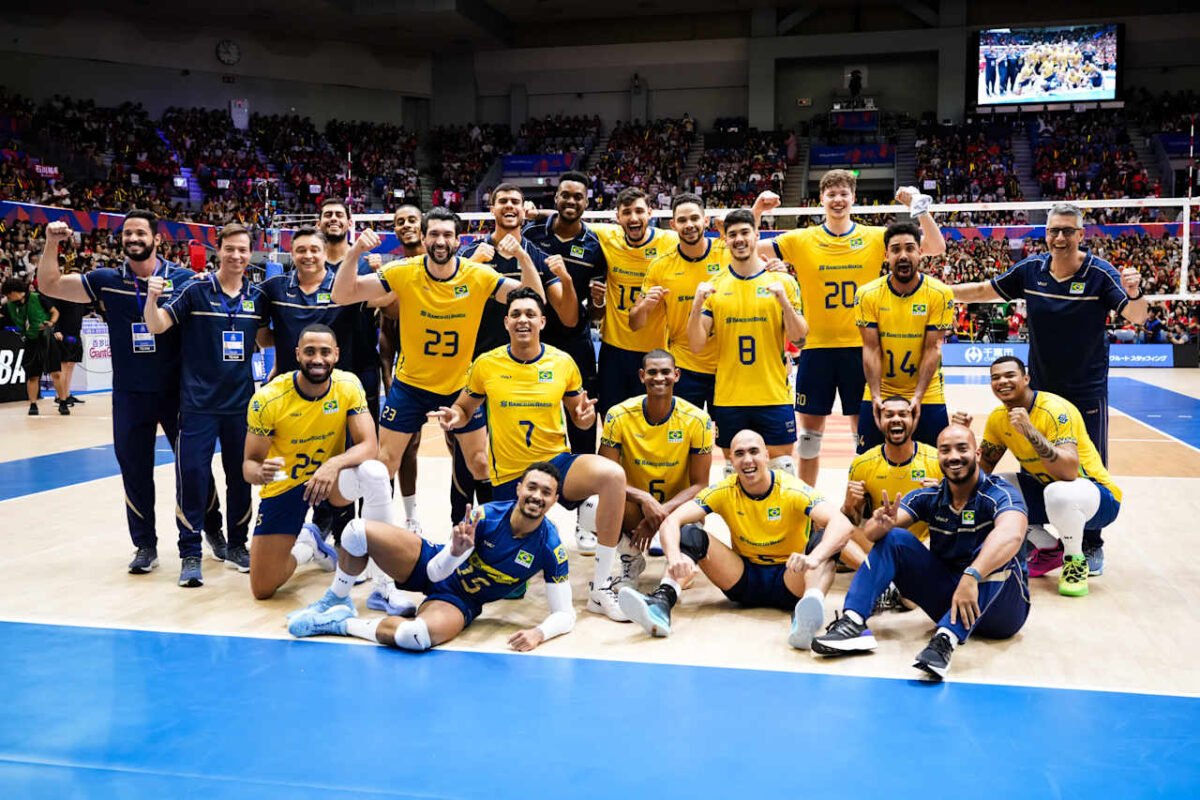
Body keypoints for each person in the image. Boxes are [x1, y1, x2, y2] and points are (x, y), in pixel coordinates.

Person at [949, 202, 1143, 574]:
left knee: (1086, 468)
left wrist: (1134, 293)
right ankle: (1042, 539)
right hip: (1037, 387)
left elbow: (1136, 316)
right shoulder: (1030, 270)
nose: (1059, 237)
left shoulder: (1101, 274)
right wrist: (937, 292)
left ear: (1081, 235)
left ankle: (1090, 543)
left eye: (1068, 231)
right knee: (1034, 462)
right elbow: (981, 290)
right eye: (1054, 230)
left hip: (1085, 390)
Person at [35, 214, 224, 574]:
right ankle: (145, 545)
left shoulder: (182, 280)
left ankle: (213, 531)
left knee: (196, 468)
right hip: (130, 394)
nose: (134, 238)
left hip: (179, 393)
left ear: (157, 239)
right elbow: (50, 284)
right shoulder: (107, 280)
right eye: (128, 233)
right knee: (134, 470)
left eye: (141, 232)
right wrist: (50, 243)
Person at [433, 288, 630, 621]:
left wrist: (582, 418)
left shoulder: (562, 362)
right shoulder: (486, 365)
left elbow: (578, 411)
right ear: (506, 322)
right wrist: (455, 417)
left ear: (542, 320)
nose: (523, 319)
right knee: (511, 587)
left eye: (529, 314)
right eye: (516, 314)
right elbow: (464, 408)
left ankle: (600, 587)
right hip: (510, 476)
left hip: (555, 464)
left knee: (613, 476)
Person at [328, 208, 545, 503]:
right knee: (383, 465)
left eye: (447, 235)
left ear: (458, 241)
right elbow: (342, 295)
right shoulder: (403, 271)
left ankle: (493, 531)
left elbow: (535, 300)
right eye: (433, 234)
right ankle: (377, 536)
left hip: (460, 388)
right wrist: (355, 252)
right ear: (423, 237)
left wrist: (523, 256)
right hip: (410, 386)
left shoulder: (479, 275)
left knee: (480, 462)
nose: (440, 241)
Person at [763, 170, 945, 486]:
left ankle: (867, 500)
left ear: (853, 198)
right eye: (831, 194)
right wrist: (758, 213)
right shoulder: (800, 239)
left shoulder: (875, 237)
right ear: (820, 199)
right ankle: (809, 507)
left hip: (862, 349)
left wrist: (919, 207)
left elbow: (935, 246)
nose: (837, 200)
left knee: (863, 438)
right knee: (809, 440)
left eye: (843, 194)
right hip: (816, 348)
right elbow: (745, 249)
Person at [811, 424, 1030, 681]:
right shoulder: (930, 496)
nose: (954, 456)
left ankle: (945, 639)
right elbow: (870, 535)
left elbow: (1012, 534)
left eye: (962, 448)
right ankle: (853, 621)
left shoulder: (999, 493)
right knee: (894, 538)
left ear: (978, 454)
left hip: (1002, 613)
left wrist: (972, 575)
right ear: (938, 457)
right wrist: (880, 524)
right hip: (951, 600)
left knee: (998, 549)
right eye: (945, 450)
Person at [287, 462, 575, 654]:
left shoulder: (550, 548)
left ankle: (340, 623)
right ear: (519, 489)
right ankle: (337, 598)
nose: (537, 496)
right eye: (532, 487)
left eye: (546, 492)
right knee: (354, 532)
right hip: (430, 561)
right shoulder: (484, 516)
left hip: (460, 600)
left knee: (414, 637)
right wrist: (455, 551)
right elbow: (436, 572)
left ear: (555, 499)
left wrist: (539, 633)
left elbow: (565, 614)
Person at [617, 429, 854, 647]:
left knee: (825, 541)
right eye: (739, 454)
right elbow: (671, 521)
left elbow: (842, 524)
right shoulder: (724, 490)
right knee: (690, 533)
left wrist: (814, 558)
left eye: (753, 452)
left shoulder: (792, 489)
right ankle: (661, 604)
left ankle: (807, 614)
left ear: (767, 456)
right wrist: (675, 557)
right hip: (743, 580)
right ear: (731, 461)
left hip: (791, 579)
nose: (747, 460)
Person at [144, 223, 270, 585]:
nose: (236, 255)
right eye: (229, 248)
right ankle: (190, 553)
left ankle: (237, 546)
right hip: (197, 406)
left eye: (243, 249)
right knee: (193, 477)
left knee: (241, 478)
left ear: (251, 252)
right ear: (219, 250)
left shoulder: (257, 297)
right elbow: (157, 325)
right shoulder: (196, 289)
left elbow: (267, 336)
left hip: (241, 407)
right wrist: (152, 299)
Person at [243, 324, 392, 600]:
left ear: (336, 355)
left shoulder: (348, 385)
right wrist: (259, 472)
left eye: (325, 352)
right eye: (310, 352)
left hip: (330, 482)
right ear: (298, 354)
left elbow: (370, 445)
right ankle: (308, 546)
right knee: (262, 588)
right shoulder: (267, 398)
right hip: (285, 482)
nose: (318, 359)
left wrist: (332, 465)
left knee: (374, 472)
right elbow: (249, 466)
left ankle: (384, 584)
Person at [457, 184, 577, 524]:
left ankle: (509, 525)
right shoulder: (471, 252)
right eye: (502, 201)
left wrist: (523, 258)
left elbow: (543, 307)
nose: (509, 206)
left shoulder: (535, 254)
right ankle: (466, 525)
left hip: (519, 370)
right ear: (491, 208)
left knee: (505, 457)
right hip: (478, 365)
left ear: (525, 210)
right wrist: (472, 264)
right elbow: (452, 299)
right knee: (471, 459)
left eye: (515, 202)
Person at [978, 355, 1121, 598]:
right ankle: (1048, 548)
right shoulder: (998, 418)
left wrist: (1030, 431)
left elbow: (1068, 472)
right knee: (990, 488)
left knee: (1059, 492)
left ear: (1026, 378)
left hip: (1098, 498)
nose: (1002, 381)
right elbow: (985, 466)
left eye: (1009, 375)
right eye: (995, 377)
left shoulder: (1055, 410)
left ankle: (1074, 559)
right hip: (1050, 494)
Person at [688, 209, 806, 471]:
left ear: (756, 235)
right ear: (725, 240)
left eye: (744, 233)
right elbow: (696, 346)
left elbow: (800, 340)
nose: (739, 239)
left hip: (773, 395)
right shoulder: (716, 286)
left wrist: (784, 303)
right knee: (736, 472)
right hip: (730, 398)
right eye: (732, 235)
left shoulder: (782, 282)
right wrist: (696, 305)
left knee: (783, 468)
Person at [597, 349, 713, 583]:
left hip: (676, 508)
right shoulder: (618, 415)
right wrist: (645, 500)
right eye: (652, 372)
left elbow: (701, 484)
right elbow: (605, 477)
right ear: (641, 376)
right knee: (591, 505)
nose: (659, 378)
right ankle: (631, 557)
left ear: (677, 375)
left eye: (665, 372)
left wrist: (661, 512)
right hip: (634, 507)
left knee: (695, 524)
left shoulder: (698, 419)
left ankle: (678, 565)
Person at [522, 171, 607, 456]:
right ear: (556, 198)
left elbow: (596, 316)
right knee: (531, 410)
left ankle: (583, 488)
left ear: (587, 202)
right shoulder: (530, 234)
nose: (571, 201)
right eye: (566, 195)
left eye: (578, 197)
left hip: (575, 339)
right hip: (533, 338)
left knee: (582, 413)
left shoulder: (595, 247)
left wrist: (598, 303)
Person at [855, 221, 955, 451]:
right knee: (867, 462)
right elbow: (871, 349)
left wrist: (917, 398)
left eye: (910, 248)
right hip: (881, 391)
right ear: (885, 255)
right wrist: (877, 397)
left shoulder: (940, 293)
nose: (903, 255)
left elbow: (933, 349)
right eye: (896, 249)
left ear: (920, 252)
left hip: (928, 393)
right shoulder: (867, 294)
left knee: (936, 466)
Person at [630, 193, 727, 411]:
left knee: (729, 441)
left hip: (726, 366)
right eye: (682, 220)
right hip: (684, 367)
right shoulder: (661, 266)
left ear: (706, 220)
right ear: (673, 224)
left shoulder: (727, 253)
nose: (689, 225)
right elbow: (635, 323)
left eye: (694, 218)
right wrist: (645, 305)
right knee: (682, 440)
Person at [590, 187, 679, 417]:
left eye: (639, 211)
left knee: (653, 420)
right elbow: (569, 220)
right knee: (611, 418)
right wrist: (534, 212)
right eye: (627, 212)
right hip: (614, 348)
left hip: (655, 350)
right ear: (617, 217)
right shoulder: (607, 236)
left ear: (650, 213)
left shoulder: (669, 241)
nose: (633, 217)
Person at [843, 395, 943, 568]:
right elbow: (853, 520)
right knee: (832, 529)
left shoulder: (937, 460)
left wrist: (942, 498)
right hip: (881, 544)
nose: (896, 419)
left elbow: (959, 517)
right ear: (879, 420)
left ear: (914, 419)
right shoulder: (862, 464)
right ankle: (875, 572)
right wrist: (848, 505)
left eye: (903, 414)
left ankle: (883, 574)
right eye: (889, 415)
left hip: (926, 546)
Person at [1, 276, 62, 415]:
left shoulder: (38, 298)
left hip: (46, 338)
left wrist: (51, 323)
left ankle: (62, 400)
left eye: (7, 295)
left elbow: (55, 312)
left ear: (13, 292)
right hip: (30, 341)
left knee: (56, 372)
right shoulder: (9, 306)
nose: (7, 297)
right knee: (32, 375)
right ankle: (33, 404)